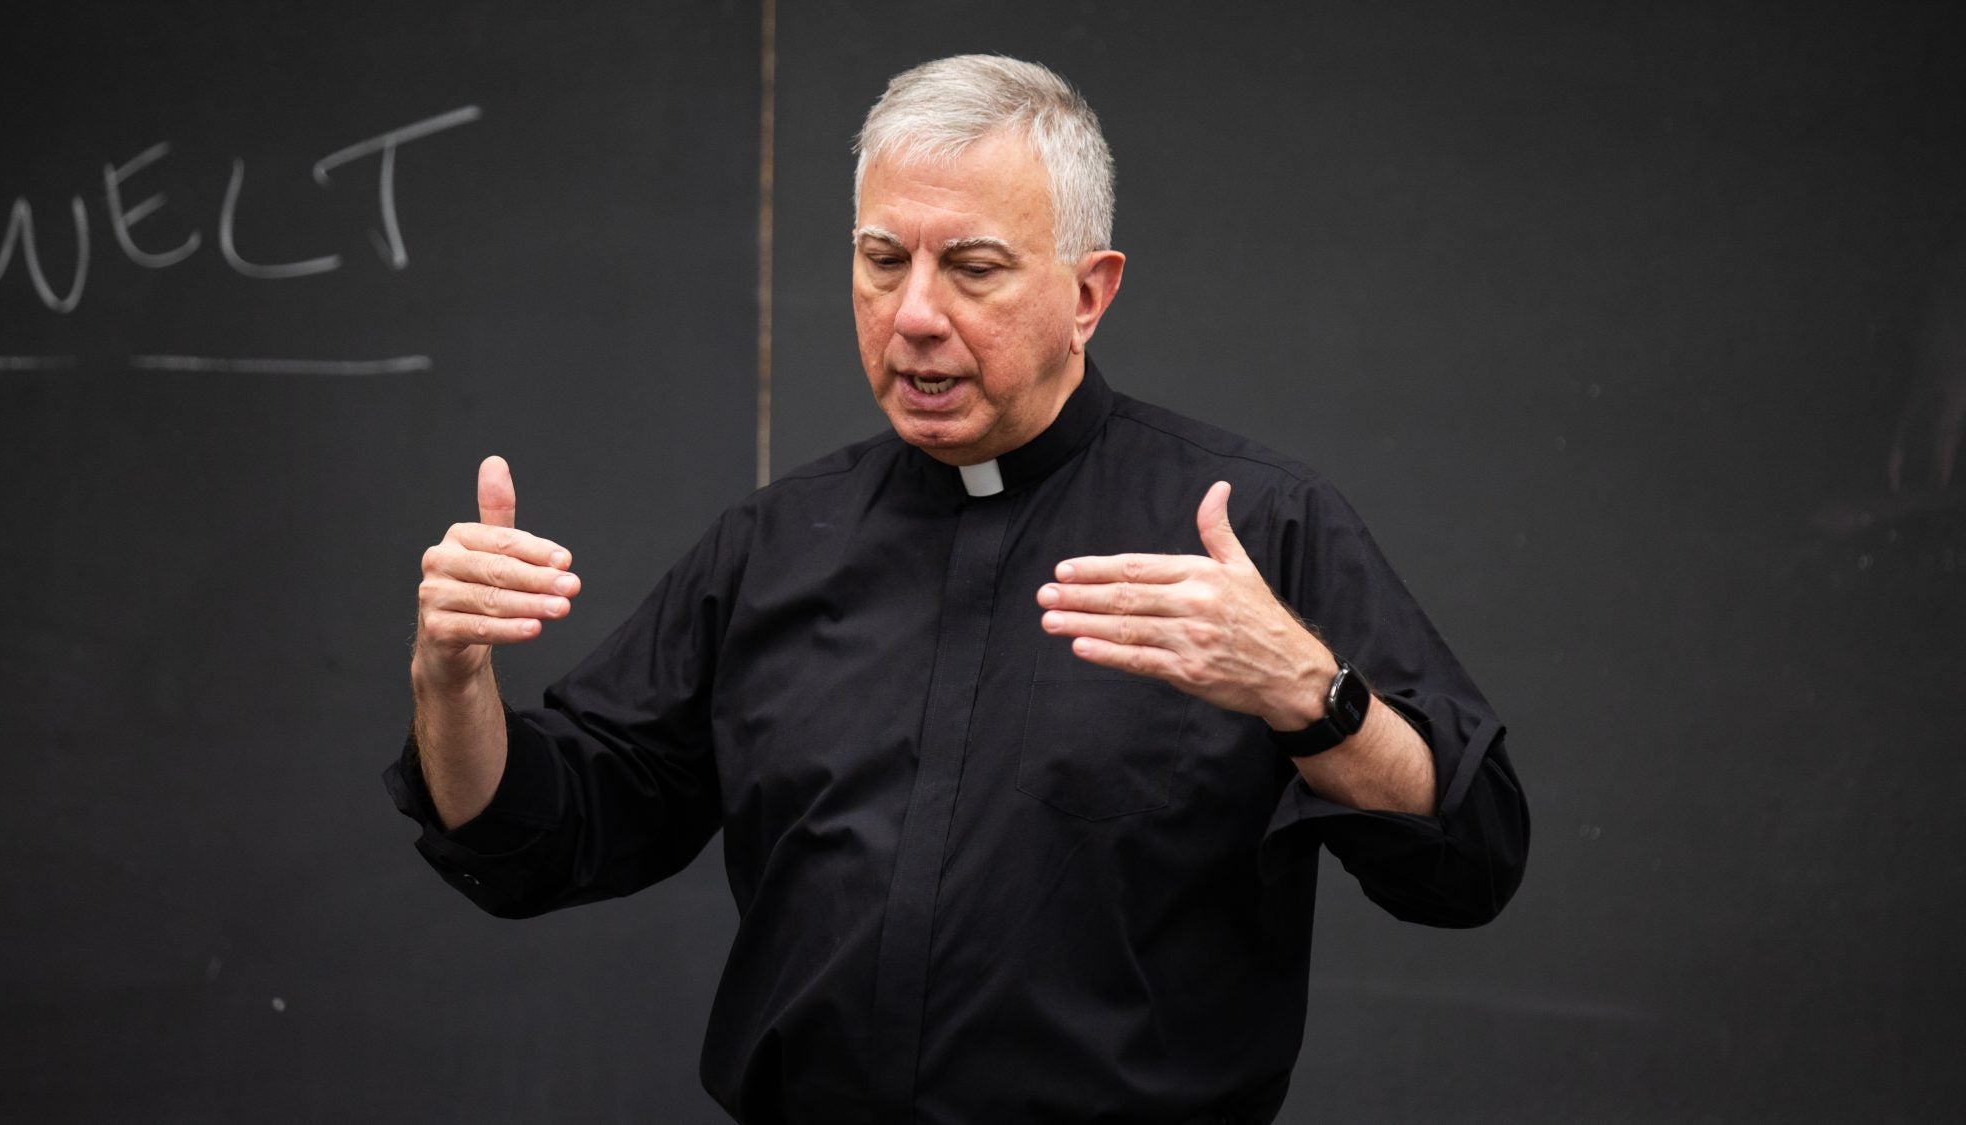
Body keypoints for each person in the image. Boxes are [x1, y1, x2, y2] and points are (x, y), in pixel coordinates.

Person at [388, 54, 1528, 1125]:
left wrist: (1309, 694)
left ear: (1089, 293)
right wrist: (452, 677)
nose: (915, 314)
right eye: (883, 261)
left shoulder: (1256, 531)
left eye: (972, 268)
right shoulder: (774, 545)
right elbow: (537, 838)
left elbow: (1470, 857)